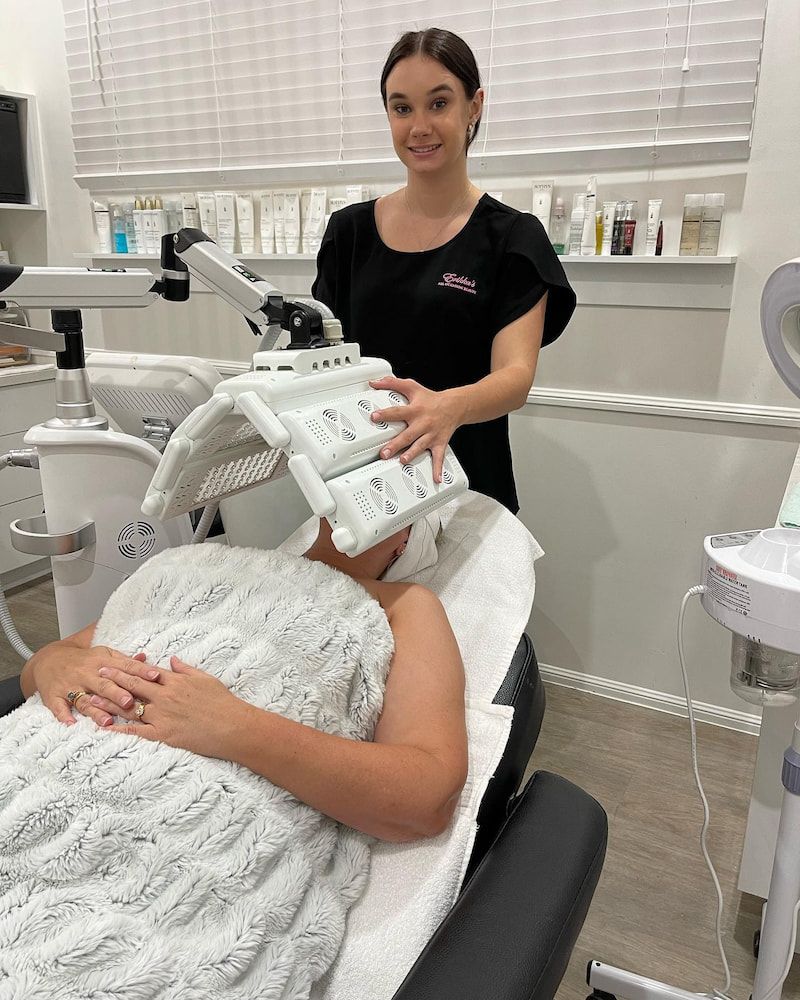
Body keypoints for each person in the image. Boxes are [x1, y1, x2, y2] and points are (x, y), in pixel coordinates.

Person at [17, 520, 467, 844]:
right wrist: (54, 664)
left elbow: (427, 796)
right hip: (41, 758)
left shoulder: (403, 605)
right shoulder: (191, 560)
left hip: (171, 814)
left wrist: (231, 726)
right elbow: (42, 667)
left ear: (405, 542)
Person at [312, 27, 577, 514]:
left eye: (438, 103)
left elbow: (515, 377)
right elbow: (327, 359)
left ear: (474, 106)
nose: (419, 127)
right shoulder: (348, 234)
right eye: (402, 108)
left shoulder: (513, 239)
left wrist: (446, 408)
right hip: (364, 483)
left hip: (467, 482)